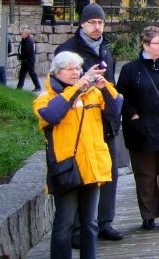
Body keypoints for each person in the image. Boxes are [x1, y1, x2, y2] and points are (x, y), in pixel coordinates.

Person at [33, 51, 122, 259]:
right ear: (57, 72)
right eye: (70, 69)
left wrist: (104, 86)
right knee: (64, 223)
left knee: (90, 223)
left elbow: (116, 108)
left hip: (92, 166)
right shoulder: (45, 99)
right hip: (67, 168)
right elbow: (52, 115)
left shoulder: (91, 93)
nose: (76, 72)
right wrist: (76, 88)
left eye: (78, 68)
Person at [55, 3, 124, 245]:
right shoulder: (68, 50)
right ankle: (77, 230)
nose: (97, 27)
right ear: (82, 23)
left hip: (105, 119)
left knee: (108, 172)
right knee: (80, 175)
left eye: (101, 22)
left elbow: (112, 81)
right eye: (93, 22)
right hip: (79, 122)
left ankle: (105, 222)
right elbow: (58, 88)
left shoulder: (105, 47)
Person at [117, 26, 159, 231]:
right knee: (145, 175)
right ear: (145, 45)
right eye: (157, 43)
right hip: (141, 129)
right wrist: (133, 116)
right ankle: (148, 215)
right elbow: (121, 97)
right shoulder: (130, 69)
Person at [16, 27, 41, 91]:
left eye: (22, 32)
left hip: (29, 60)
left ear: (26, 33)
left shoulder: (29, 41)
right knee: (22, 73)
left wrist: (21, 56)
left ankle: (38, 87)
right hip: (25, 60)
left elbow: (26, 51)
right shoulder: (25, 40)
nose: (21, 33)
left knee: (32, 73)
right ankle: (19, 87)